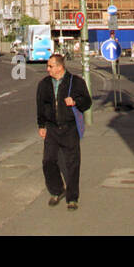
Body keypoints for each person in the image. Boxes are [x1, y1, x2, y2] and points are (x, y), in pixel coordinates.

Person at [36, 53, 91, 211]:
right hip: (52, 128)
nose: (48, 69)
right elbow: (40, 106)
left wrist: (75, 101)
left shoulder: (76, 82)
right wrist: (41, 125)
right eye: (48, 66)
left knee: (72, 164)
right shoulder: (44, 84)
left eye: (50, 66)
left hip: (69, 128)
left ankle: (72, 198)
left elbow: (87, 102)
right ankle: (57, 189)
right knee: (48, 161)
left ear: (60, 67)